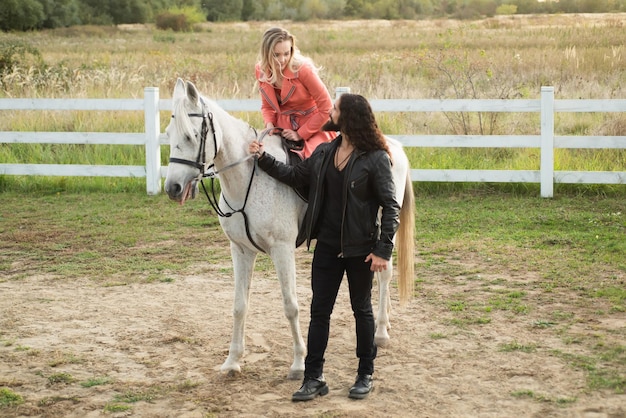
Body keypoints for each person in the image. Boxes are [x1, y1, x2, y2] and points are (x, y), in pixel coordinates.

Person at [248, 93, 400, 401]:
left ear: (349, 118)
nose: (329, 112)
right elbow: (294, 176)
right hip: (327, 249)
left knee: (362, 311)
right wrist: (263, 158)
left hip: (361, 251)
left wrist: (383, 250)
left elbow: (391, 206)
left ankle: (364, 374)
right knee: (319, 313)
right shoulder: (325, 152)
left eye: (335, 109)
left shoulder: (376, 158)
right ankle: (313, 377)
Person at [256, 27, 336, 159]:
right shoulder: (260, 70)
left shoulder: (303, 69)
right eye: (276, 55)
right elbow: (268, 106)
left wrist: (301, 133)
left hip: (314, 127)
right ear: (266, 54)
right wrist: (269, 124)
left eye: (286, 53)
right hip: (282, 128)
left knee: (312, 161)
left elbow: (326, 108)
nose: (282, 60)